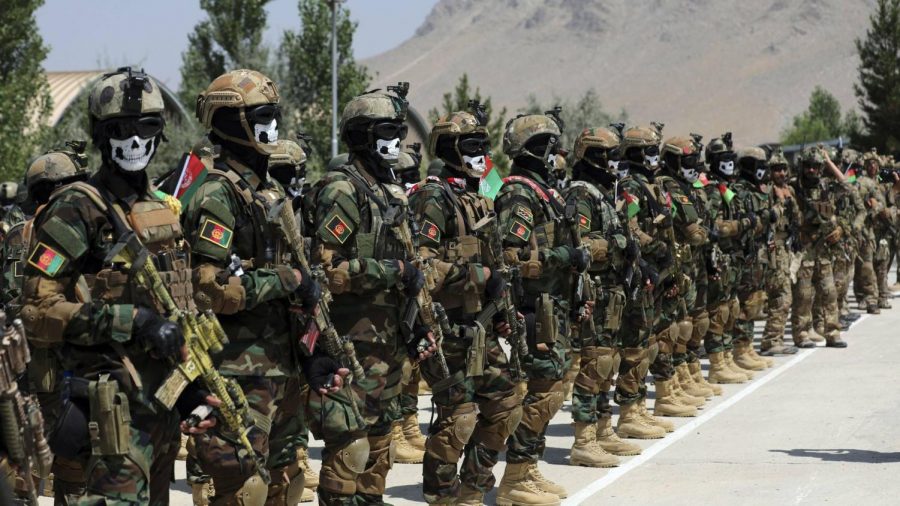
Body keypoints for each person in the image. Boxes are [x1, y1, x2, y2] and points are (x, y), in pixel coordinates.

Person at [20, 66, 217, 504]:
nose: (133, 140)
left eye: (145, 127)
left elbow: (177, 309)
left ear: (160, 133)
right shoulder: (78, 208)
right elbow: (36, 312)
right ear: (99, 134)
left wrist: (190, 391)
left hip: (161, 406)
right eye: (119, 129)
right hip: (111, 407)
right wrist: (133, 321)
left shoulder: (161, 210)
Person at [182, 68, 343, 505]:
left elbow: (300, 280)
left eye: (273, 114)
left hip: (283, 365)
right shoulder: (217, 195)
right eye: (262, 115)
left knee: (286, 482)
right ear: (232, 123)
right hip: (239, 369)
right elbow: (212, 290)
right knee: (243, 490)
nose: (272, 125)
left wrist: (312, 354)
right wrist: (287, 279)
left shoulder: (269, 191)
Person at [305, 83, 435, 505]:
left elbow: (411, 268)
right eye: (386, 130)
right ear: (361, 135)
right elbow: (329, 270)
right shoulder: (342, 190)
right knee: (351, 448)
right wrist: (394, 271)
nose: (396, 139)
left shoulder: (389, 190)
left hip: (390, 341)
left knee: (380, 448)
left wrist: (417, 326)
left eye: (399, 130)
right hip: (354, 344)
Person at [408, 106, 523, 504]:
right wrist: (480, 278)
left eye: (484, 145)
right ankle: (441, 493)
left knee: (507, 404)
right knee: (458, 416)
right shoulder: (433, 198)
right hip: (449, 328)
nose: (481, 153)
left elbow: (494, 260)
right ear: (449, 149)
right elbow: (424, 266)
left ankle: (474, 486)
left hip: (483, 325)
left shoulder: (478, 196)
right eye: (472, 145)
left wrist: (504, 309)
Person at [493, 111, 593, 504]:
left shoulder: (543, 191)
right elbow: (511, 256)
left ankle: (527, 468)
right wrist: (564, 255)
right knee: (542, 393)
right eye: (550, 148)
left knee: (548, 391)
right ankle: (515, 478)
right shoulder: (518, 193)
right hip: (535, 308)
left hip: (555, 307)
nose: (557, 155)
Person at [564, 126, 643, 463]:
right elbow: (577, 244)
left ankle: (603, 427)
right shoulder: (580, 194)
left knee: (607, 361)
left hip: (612, 293)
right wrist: (617, 244)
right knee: (594, 363)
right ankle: (583, 440)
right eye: (608, 155)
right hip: (593, 292)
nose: (614, 163)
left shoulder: (602, 194)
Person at [790, 146, 848, 348]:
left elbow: (847, 185)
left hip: (824, 249)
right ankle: (802, 333)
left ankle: (832, 332)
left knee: (829, 292)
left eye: (815, 166)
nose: (812, 170)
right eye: (808, 166)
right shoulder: (794, 187)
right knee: (804, 294)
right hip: (805, 248)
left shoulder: (825, 186)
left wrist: (829, 162)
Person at [761, 148, 801, 354]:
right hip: (772, 249)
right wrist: (778, 203)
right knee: (781, 296)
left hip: (786, 249)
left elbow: (796, 219)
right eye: (777, 170)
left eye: (783, 169)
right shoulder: (766, 191)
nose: (781, 174)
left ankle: (775, 338)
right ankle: (771, 340)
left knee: (786, 296)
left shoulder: (789, 191)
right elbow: (764, 218)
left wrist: (789, 199)